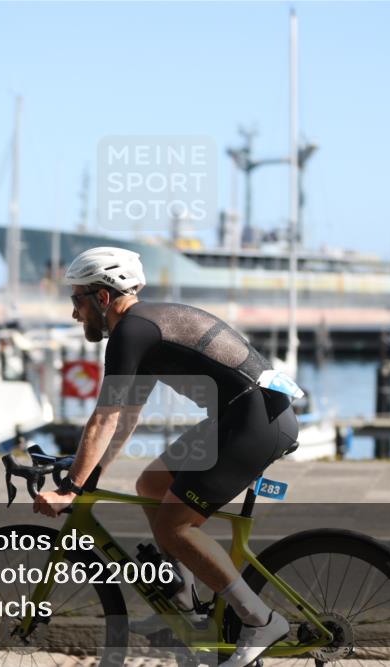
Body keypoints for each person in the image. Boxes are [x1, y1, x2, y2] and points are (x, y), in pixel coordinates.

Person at [33, 247, 300, 667]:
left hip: (253, 424)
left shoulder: (132, 332)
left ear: (102, 298)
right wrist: (90, 474)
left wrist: (71, 488)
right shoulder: (145, 328)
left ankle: (260, 620)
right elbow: (125, 418)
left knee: (175, 527)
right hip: (241, 418)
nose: (73, 313)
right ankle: (184, 605)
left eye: (77, 300)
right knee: (152, 486)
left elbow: (103, 419)